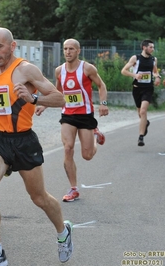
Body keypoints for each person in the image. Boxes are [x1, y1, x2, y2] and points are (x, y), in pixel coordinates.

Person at [0, 27, 73, 265]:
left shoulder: (25, 69)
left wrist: (34, 99)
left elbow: (60, 98)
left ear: (12, 46)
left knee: (39, 198)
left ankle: (63, 232)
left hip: (23, 140)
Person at [37, 39, 109, 202]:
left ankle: (95, 136)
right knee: (68, 148)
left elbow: (101, 85)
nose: (67, 52)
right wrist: (45, 105)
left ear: (78, 51)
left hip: (85, 115)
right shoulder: (59, 71)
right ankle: (73, 188)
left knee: (87, 155)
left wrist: (103, 104)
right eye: (65, 49)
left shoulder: (88, 68)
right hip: (68, 115)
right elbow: (58, 91)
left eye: (71, 49)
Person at [121, 39, 161, 146]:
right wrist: (135, 75)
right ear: (144, 47)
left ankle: (141, 137)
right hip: (137, 88)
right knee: (140, 113)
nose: (153, 49)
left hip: (148, 88)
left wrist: (157, 77)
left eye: (153, 47)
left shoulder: (153, 59)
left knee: (143, 111)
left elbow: (155, 71)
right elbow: (123, 71)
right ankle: (145, 123)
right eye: (151, 47)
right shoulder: (135, 58)